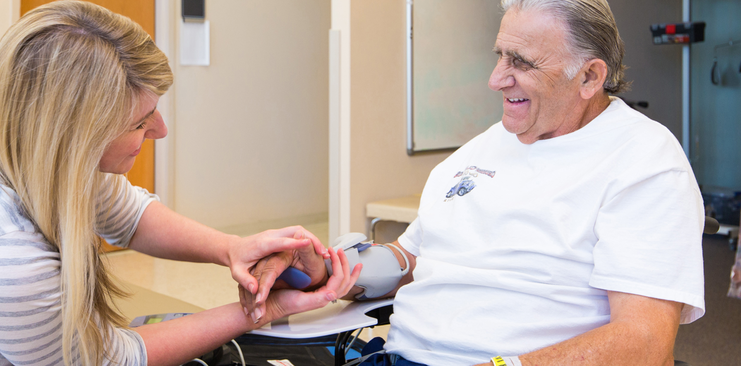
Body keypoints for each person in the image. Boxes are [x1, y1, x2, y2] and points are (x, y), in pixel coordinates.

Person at [0, 2, 360, 365]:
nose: (161, 131)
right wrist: (263, 312)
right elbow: (111, 359)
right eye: (138, 123)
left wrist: (233, 248)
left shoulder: (20, 139)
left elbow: (127, 215)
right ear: (74, 134)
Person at [244, 0, 705, 365]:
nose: (495, 79)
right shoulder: (487, 144)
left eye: (520, 63)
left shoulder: (644, 162)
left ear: (589, 76)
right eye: (499, 55)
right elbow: (410, 257)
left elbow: (644, 343)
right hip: (398, 355)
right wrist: (327, 270)